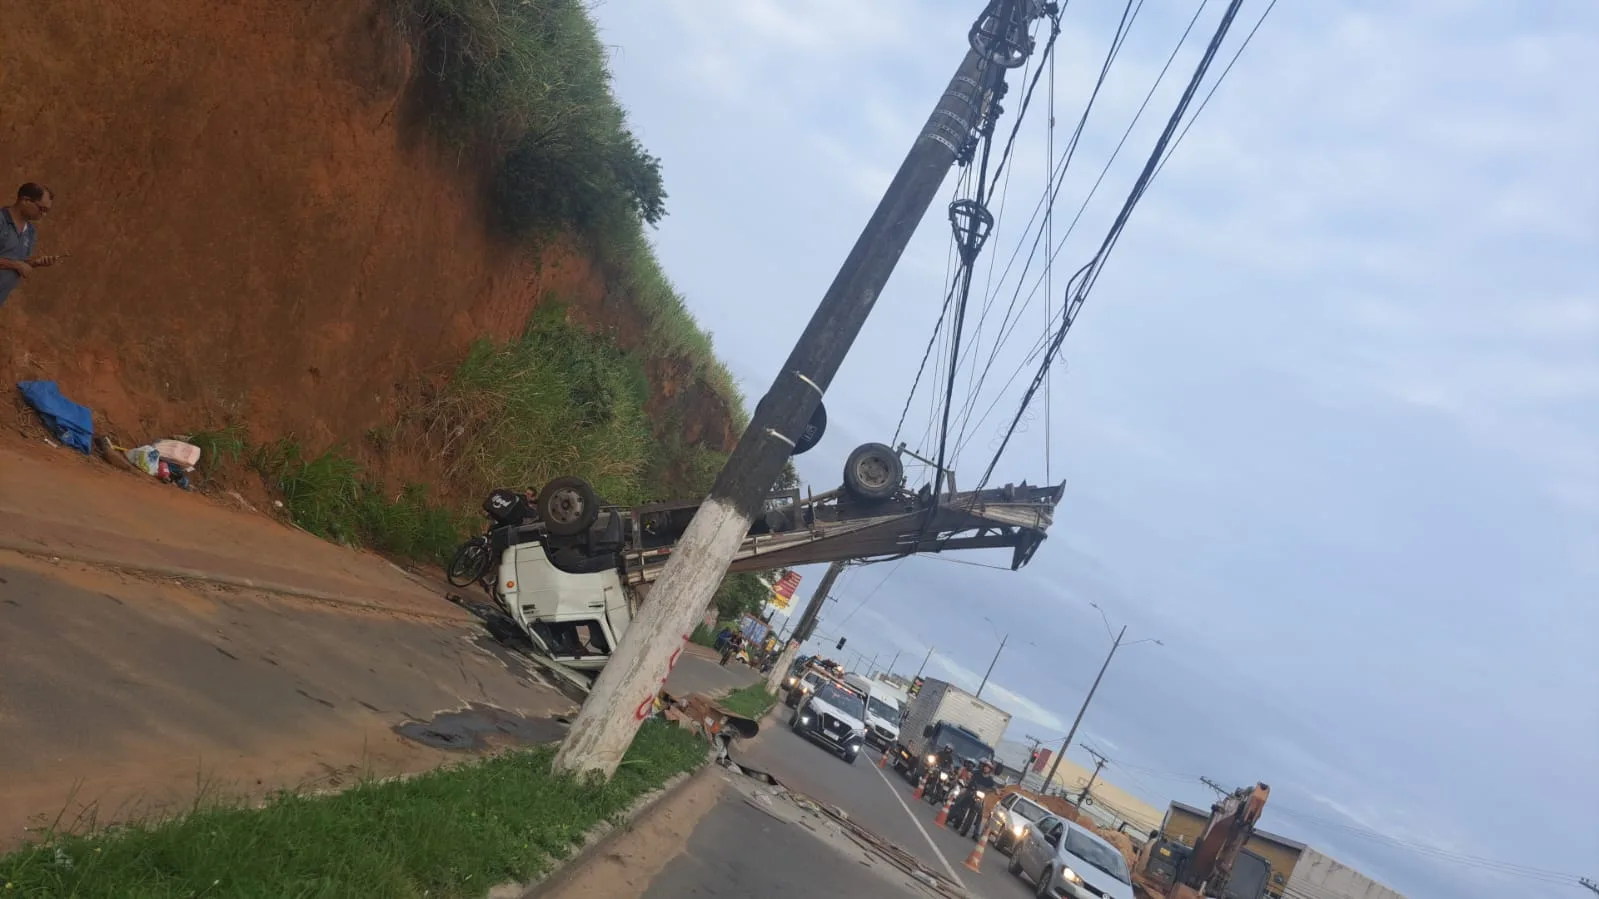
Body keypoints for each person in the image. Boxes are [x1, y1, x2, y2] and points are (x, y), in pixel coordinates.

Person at [0, 183, 66, 310]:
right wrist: (15, 265)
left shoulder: (30, 232)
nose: (44, 215)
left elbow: (20, 262)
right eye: (42, 209)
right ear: (25, 201)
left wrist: (35, 263)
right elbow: (16, 264)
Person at [954, 759, 998, 838]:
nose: (986, 768)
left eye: (988, 767)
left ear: (990, 770)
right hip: (971, 791)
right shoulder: (977, 773)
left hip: (980, 797)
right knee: (960, 798)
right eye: (985, 766)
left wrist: (996, 790)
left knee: (981, 812)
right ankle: (951, 814)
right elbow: (970, 775)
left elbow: (994, 787)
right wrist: (969, 778)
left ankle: (976, 833)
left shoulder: (990, 780)